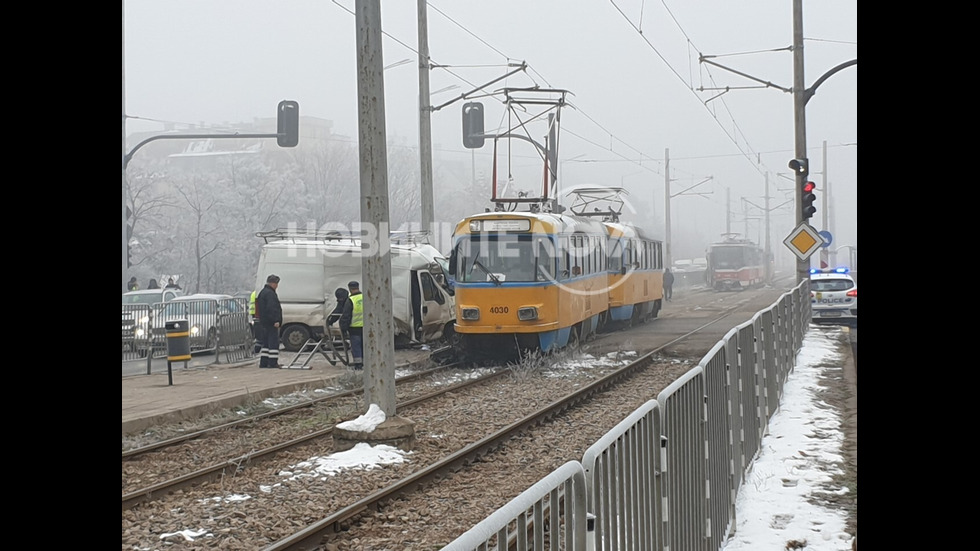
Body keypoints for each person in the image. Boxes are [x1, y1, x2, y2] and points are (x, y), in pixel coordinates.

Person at [256, 274, 283, 368]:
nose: (277, 286)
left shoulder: (263, 292)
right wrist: (275, 320)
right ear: (273, 283)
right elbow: (272, 308)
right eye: (276, 283)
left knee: (266, 344)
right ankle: (272, 362)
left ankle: (263, 362)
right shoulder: (270, 294)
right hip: (271, 323)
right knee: (273, 343)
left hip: (264, 322)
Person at [339, 280, 363, 370]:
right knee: (365, 345)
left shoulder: (350, 300)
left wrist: (343, 328)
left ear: (350, 289)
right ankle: (366, 362)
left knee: (356, 347)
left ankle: (358, 365)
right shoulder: (365, 297)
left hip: (354, 328)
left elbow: (346, 315)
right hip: (367, 327)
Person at [249, 290, 262, 355]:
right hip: (257, 313)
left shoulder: (253, 293)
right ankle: (255, 350)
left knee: (257, 333)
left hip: (253, 313)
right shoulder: (257, 293)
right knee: (259, 335)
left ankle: (255, 350)